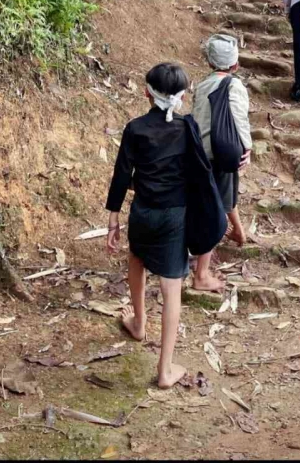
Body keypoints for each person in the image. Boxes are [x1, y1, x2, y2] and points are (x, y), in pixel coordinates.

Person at [105, 62, 192, 389]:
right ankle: (165, 370)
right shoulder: (188, 128)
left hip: (142, 211)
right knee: (172, 289)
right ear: (183, 96)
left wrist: (113, 217)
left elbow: (121, 174)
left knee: (136, 259)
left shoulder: (135, 128)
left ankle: (139, 323)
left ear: (146, 92)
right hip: (175, 216)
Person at [193, 34, 252, 287]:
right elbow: (238, 116)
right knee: (214, 207)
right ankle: (201, 274)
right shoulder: (234, 85)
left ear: (209, 63)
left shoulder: (202, 85)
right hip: (223, 150)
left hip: (200, 151)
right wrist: (247, 146)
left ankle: (238, 231)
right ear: (235, 65)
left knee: (222, 193)